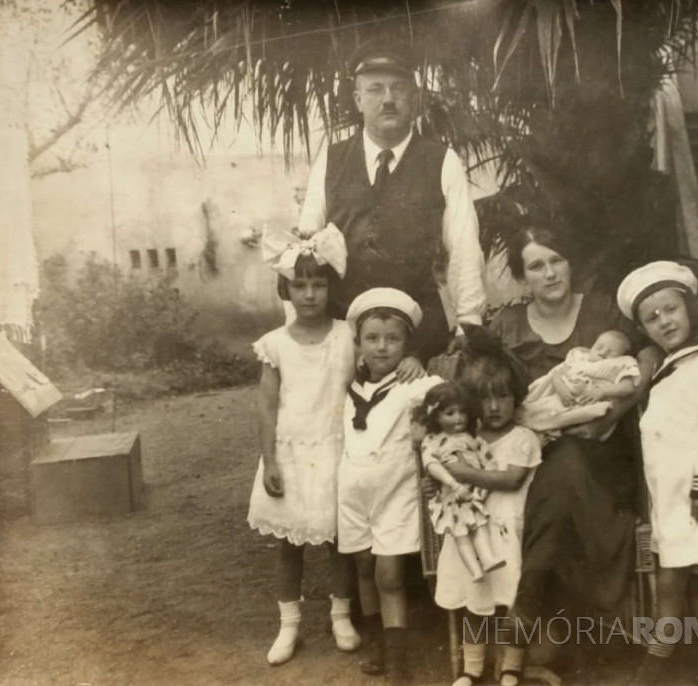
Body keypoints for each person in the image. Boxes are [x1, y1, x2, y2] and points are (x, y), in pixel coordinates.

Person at [486, 225, 662, 677]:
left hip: (606, 447)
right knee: (560, 469)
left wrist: (619, 406)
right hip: (538, 454)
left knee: (566, 470)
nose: (549, 273)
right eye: (536, 266)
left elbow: (648, 355)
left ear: (570, 264)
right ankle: (564, 628)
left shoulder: (601, 309)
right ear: (524, 279)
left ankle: (530, 608)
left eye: (556, 261)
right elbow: (478, 377)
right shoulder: (508, 324)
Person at [298, 41, 486, 363]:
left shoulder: (442, 160)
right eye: (375, 90)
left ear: (413, 97)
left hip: (419, 333)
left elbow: (464, 247)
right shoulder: (331, 160)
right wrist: (302, 325)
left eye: (398, 88)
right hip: (346, 329)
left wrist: (468, 322)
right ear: (358, 100)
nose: (387, 100)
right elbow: (305, 248)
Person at [616, 261, 698, 683]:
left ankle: (654, 666)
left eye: (670, 309)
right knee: (695, 579)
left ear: (689, 309)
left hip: (695, 493)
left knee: (670, 583)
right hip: (670, 496)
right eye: (651, 318)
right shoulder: (673, 366)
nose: (663, 321)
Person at [246, 224, 360, 665]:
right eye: (300, 285)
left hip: (336, 449)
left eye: (318, 284)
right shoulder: (275, 345)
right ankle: (288, 624)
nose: (310, 294)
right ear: (286, 289)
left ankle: (342, 615)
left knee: (338, 540)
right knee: (289, 544)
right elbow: (266, 408)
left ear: (330, 287)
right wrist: (270, 460)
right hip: (291, 453)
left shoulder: (347, 334)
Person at [337, 287, 444, 685]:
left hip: (395, 494)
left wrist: (420, 365)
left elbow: (446, 395)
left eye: (394, 339)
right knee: (363, 566)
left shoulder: (413, 385)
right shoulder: (349, 388)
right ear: (358, 343)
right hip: (353, 494)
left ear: (407, 344)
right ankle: (375, 639)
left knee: (390, 575)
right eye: (372, 339)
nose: (382, 348)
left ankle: (397, 654)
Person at [433, 327, 542, 686]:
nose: (494, 407)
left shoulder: (523, 439)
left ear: (516, 399)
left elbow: (511, 480)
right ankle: (472, 666)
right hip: (471, 528)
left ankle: (511, 665)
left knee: (513, 601)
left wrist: (464, 472)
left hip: (508, 530)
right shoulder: (467, 438)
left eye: (503, 397)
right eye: (485, 399)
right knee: (473, 598)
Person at [415, 381, 505, 581]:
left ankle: (488, 558)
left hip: (472, 495)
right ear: (436, 417)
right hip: (450, 496)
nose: (459, 418)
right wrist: (453, 484)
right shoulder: (434, 440)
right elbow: (431, 464)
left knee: (478, 525)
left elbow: (489, 464)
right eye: (450, 413)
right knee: (460, 533)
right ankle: (474, 569)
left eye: (463, 412)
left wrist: (480, 494)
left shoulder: (474, 439)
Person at [519, 329, 641, 434]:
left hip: (588, 402)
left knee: (559, 417)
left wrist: (603, 392)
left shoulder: (622, 363)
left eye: (611, 352)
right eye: (599, 347)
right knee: (539, 409)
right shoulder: (581, 357)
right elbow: (557, 373)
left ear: (621, 356)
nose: (602, 353)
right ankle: (529, 422)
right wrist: (561, 387)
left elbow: (628, 387)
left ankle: (537, 426)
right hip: (563, 394)